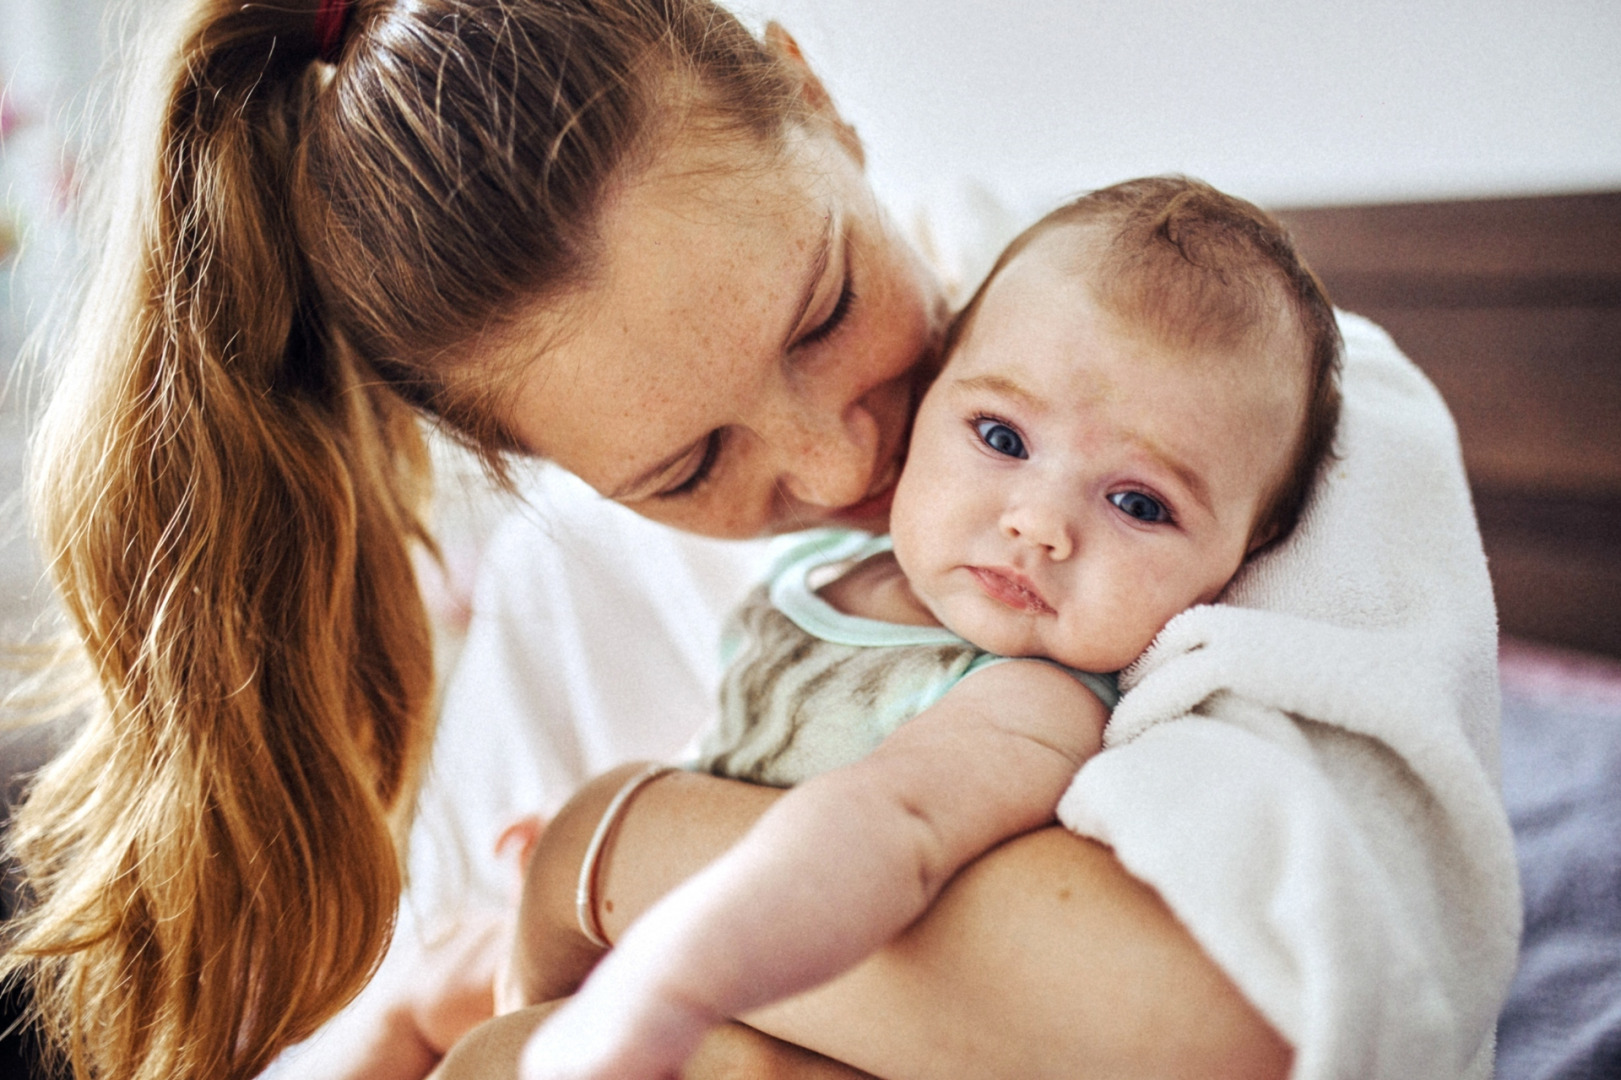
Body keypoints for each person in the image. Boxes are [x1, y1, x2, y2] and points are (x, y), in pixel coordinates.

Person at [0, 0, 1515, 1077]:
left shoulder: (1240, 400)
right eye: (686, 465)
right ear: (541, 471)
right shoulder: (568, 587)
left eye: (823, 309)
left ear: (818, 99)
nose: (842, 455)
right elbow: (453, 995)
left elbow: (1231, 1026)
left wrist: (603, 851)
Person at [504, 176, 1343, 1080]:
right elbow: (753, 755)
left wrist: (669, 982)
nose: (1039, 522)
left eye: (1139, 502)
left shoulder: (1030, 698)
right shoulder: (811, 577)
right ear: (934, 388)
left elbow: (885, 823)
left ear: (1242, 560)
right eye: (1001, 436)